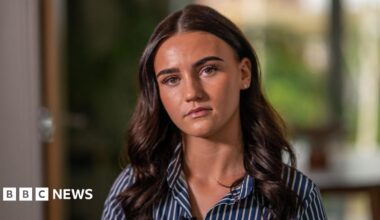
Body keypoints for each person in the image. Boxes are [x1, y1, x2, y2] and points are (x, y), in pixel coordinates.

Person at [102, 4, 326, 220]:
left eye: (208, 70)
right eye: (172, 79)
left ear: (244, 73)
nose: (192, 93)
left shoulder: (296, 195)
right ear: (158, 92)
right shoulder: (133, 190)